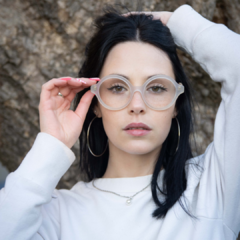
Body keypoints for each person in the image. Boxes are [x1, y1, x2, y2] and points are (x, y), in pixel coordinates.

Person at [0, 3, 240, 240]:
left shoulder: (212, 190)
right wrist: (52, 144)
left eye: (156, 87)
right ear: (95, 103)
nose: (137, 105)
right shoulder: (57, 214)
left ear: (176, 103)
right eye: (117, 87)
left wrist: (173, 22)